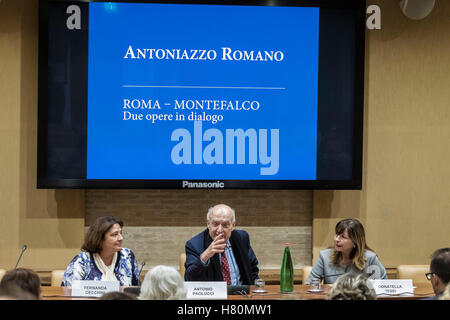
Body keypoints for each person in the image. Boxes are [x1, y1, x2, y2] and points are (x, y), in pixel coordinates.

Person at [184, 204, 259, 285]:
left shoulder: (242, 238)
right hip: (213, 295)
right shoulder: (194, 244)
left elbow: (252, 269)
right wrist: (205, 256)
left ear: (233, 226)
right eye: (215, 224)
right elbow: (189, 279)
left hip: (242, 294)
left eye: (225, 225)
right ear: (208, 224)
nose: (219, 230)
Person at [62, 215, 140, 286]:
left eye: (121, 233)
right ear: (100, 238)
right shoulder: (82, 260)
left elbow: (136, 289)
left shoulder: (127, 256)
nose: (120, 238)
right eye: (115, 234)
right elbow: (68, 292)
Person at [305, 218, 387, 284]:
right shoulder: (325, 257)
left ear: (355, 241)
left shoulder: (370, 258)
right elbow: (309, 285)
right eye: (337, 234)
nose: (337, 239)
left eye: (343, 237)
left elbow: (383, 287)